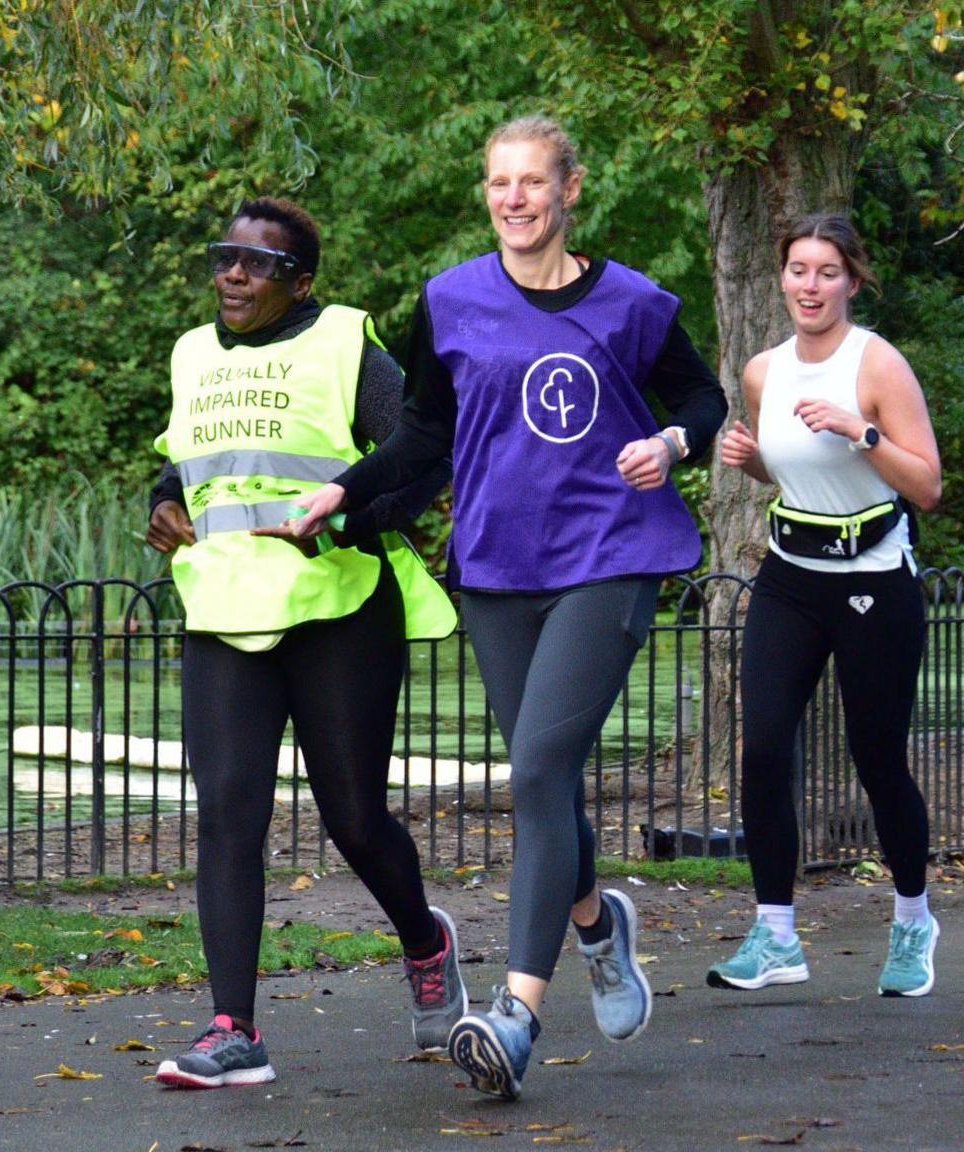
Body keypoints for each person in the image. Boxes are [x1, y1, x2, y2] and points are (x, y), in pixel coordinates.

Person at [273, 116, 727, 1100]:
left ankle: (516, 1015)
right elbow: (425, 433)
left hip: (607, 554)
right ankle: (599, 930)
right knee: (545, 783)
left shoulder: (634, 305)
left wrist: (673, 448)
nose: (513, 200)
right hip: (495, 565)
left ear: (569, 188)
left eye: (531, 182)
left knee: (535, 771)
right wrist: (344, 491)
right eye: (497, 184)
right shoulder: (449, 302)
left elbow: (702, 400)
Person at [146, 197, 466, 1088]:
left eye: (257, 264)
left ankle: (425, 942)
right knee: (227, 814)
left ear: (301, 282)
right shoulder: (191, 353)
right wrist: (162, 505)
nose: (234, 275)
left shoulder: (344, 345)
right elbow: (192, 460)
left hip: (336, 608)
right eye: (225, 259)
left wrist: (356, 523)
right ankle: (231, 1029)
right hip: (223, 609)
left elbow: (425, 452)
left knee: (354, 819)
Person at [711, 213, 944, 997]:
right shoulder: (762, 371)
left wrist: (863, 431)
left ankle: (912, 920)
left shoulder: (876, 365)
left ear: (852, 280)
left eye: (826, 273)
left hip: (874, 578)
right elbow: (790, 476)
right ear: (781, 277)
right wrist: (749, 465)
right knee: (765, 747)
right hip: (790, 576)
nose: (810, 286)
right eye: (798, 271)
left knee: (877, 759)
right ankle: (776, 934)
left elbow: (929, 487)